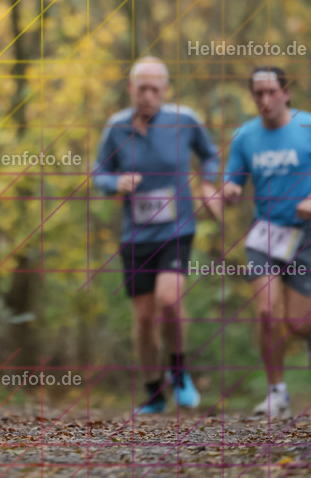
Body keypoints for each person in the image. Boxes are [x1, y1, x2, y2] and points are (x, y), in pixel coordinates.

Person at [219, 66, 311, 418]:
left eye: (271, 92)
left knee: (296, 322)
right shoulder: (244, 137)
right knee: (265, 311)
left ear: (286, 92)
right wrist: (230, 191)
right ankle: (277, 392)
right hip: (264, 233)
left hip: (306, 234)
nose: (265, 100)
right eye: (258, 94)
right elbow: (232, 181)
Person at [94, 57, 223, 414]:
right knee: (144, 317)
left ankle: (179, 370)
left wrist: (208, 182)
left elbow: (210, 155)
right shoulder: (117, 128)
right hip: (135, 236)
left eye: (155, 89)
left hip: (176, 229)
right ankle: (154, 392)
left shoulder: (185, 120)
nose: (148, 95)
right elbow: (98, 172)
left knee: (169, 300)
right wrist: (114, 183)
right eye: (141, 88)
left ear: (166, 91)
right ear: (130, 89)